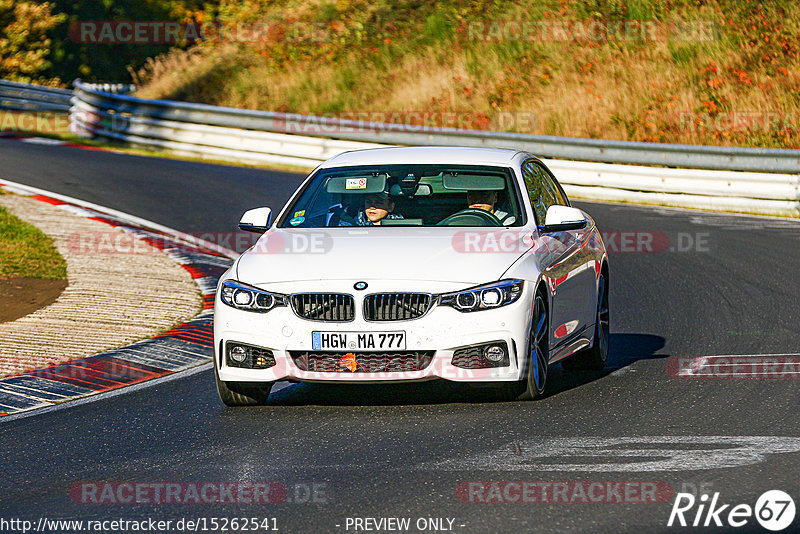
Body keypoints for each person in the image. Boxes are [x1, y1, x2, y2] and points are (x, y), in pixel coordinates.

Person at [337, 191, 403, 226]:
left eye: (379, 203)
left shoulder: (401, 226)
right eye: (368, 202)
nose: (372, 207)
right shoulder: (349, 223)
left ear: (390, 207)